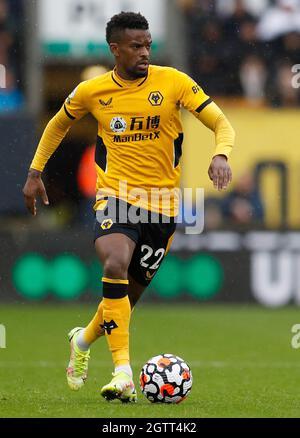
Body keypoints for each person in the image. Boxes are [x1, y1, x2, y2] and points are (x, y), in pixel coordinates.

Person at [22, 12, 235, 403]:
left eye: (149, 44)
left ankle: (82, 340)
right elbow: (57, 125)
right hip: (115, 197)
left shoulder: (173, 82)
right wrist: (36, 172)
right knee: (115, 263)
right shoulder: (93, 91)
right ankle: (123, 373)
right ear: (115, 49)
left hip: (162, 208)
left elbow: (220, 122)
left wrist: (221, 154)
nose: (145, 53)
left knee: (123, 303)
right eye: (136, 46)